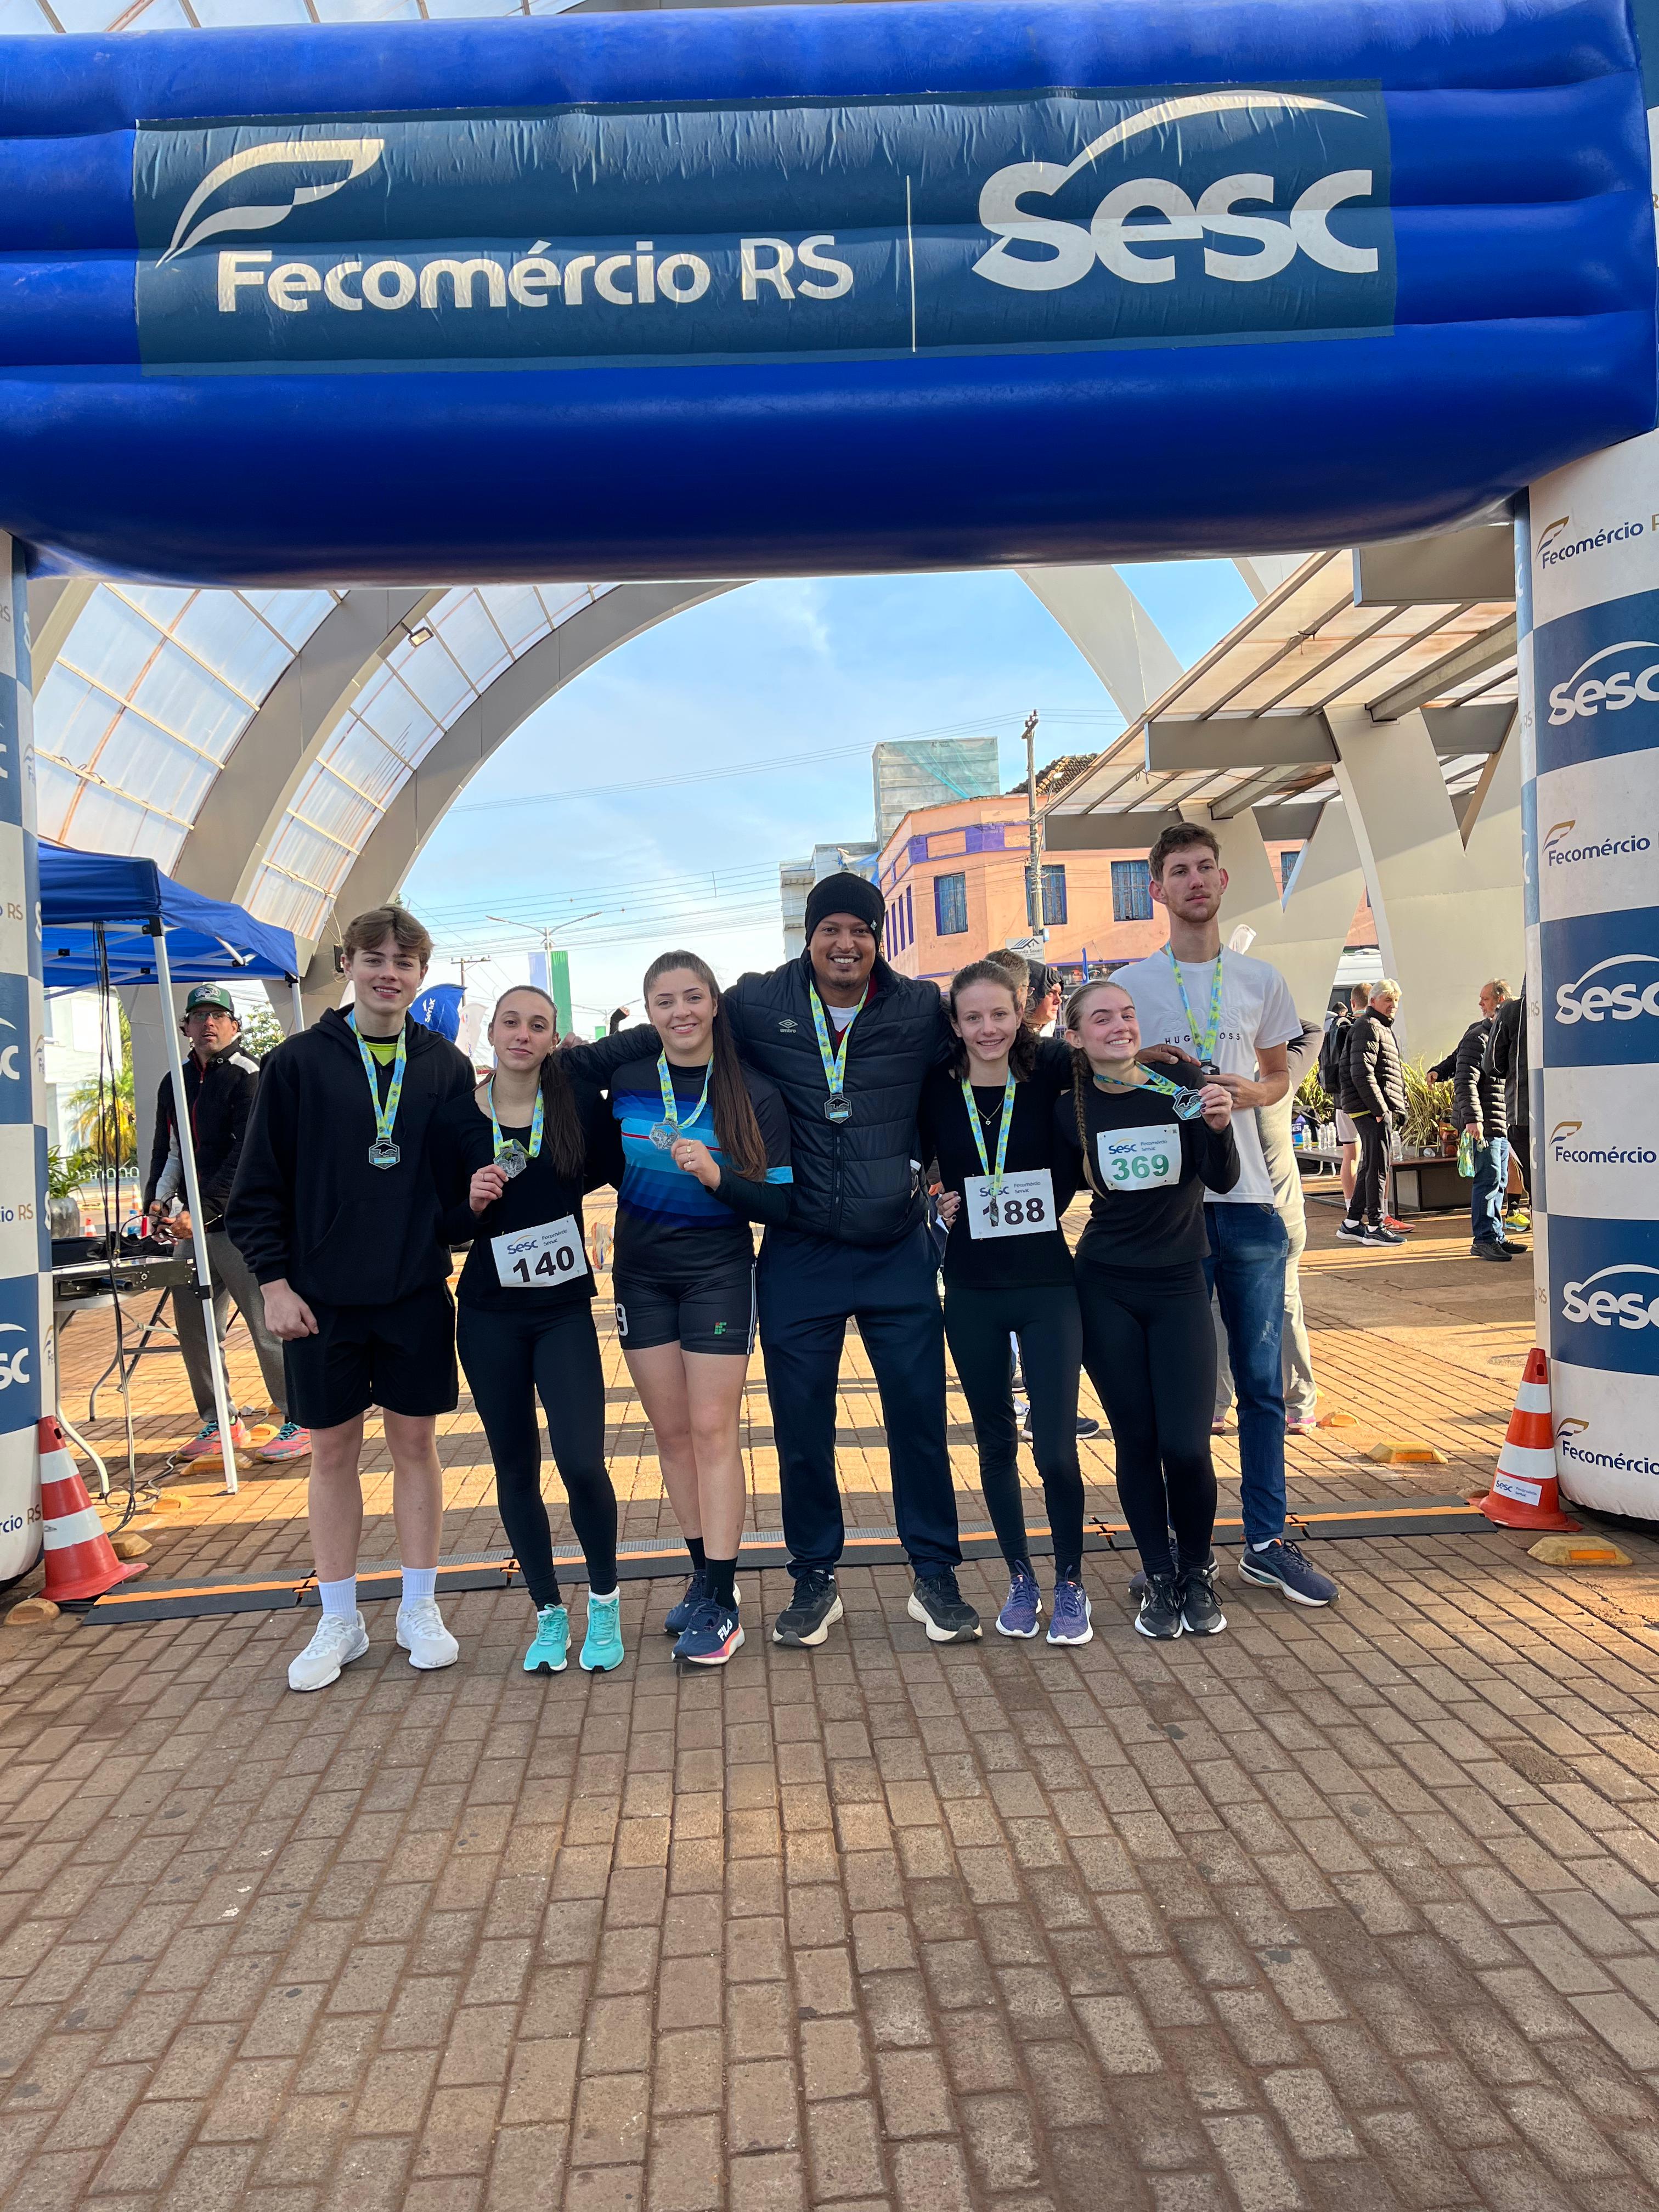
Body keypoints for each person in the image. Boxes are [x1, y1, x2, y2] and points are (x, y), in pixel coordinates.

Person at [575, 873, 978, 1649]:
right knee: (801, 1426)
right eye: (830, 929)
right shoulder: (760, 1001)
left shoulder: (918, 1008)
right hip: (799, 1250)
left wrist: (1112, 1062)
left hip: (895, 1246)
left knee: (919, 1418)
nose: (845, 944)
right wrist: (573, 1060)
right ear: (810, 935)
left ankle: (935, 1574)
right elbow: (679, 1027)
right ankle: (813, 1577)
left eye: (860, 930)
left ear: (877, 937)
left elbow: (989, 1047)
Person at [229, 906, 476, 1693]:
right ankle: (340, 1617)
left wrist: (480, 1202)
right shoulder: (296, 1063)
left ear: (421, 975)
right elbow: (257, 1187)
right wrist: (273, 1284)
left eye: (404, 962)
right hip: (319, 1300)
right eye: (375, 959)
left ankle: (418, 1606)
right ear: (348, 965)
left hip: (413, 1291)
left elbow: (455, 1189)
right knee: (331, 1453)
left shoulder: (444, 1065)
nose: (388, 974)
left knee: (416, 1447)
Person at [1113, 822, 1338, 1608]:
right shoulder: (1132, 986)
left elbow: (1280, 1075)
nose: (1196, 881)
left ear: (1223, 879)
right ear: (1158, 890)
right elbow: (1108, 1083)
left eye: (1206, 867)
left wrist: (1251, 1092)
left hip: (1250, 1205)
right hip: (1170, 1212)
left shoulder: (1260, 980)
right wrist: (1149, 1076)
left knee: (1263, 1387)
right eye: (1179, 870)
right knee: (1179, 1399)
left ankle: (1267, 1543)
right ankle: (1181, 1551)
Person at [569, 951, 791, 1668]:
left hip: (717, 1276)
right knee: (670, 1435)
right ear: (648, 1012)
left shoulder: (752, 1089)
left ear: (716, 1002)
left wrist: (720, 1178)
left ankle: (725, 1601)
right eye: (663, 1002)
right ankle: (702, 1576)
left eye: (693, 997)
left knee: (711, 1430)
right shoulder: (632, 1079)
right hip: (640, 1278)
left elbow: (781, 1201)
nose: (681, 1012)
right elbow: (577, 1091)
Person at [431, 986, 625, 1678]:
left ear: (552, 1040)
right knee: (515, 1467)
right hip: (489, 1315)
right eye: (511, 1022)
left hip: (563, 1310)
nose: (522, 1034)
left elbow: (616, 1167)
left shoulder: (575, 1106)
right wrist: (470, 1205)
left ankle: (604, 1600)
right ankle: (548, 1610)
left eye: (537, 1025)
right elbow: (441, 1223)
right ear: (492, 1033)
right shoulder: (456, 1117)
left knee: (581, 1461)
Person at [1055, 979, 1239, 1638]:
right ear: (1076, 1036)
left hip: (1180, 1285)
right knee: (1136, 1440)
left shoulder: (1179, 1085)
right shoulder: (1069, 1108)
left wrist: (1219, 1128)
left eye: (1128, 1015)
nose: (1120, 1026)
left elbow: (1221, 1177)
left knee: (1186, 1446)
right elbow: (1046, 1191)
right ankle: (1159, 1576)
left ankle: (1197, 1569)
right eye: (1102, 1018)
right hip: (1105, 1287)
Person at [919, 960, 1089, 1644]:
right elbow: (916, 1161)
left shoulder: (1050, 1071)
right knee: (995, 1443)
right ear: (956, 1024)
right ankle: (1021, 1577)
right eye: (973, 1017)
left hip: (1047, 1283)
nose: (988, 1029)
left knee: (1056, 1450)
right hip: (971, 1288)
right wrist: (936, 1197)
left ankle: (1070, 1581)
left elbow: (1108, 1070)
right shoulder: (936, 1085)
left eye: (999, 1014)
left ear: (1022, 1012)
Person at [142, 983, 309, 1464]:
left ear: (235, 1025)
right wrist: (158, 1200)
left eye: (218, 1016)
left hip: (247, 1227)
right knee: (195, 1330)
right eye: (199, 1017)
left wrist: (203, 1211)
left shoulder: (250, 1075)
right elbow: (170, 1149)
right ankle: (220, 1419)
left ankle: (299, 1417)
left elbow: (247, 1157)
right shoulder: (174, 1081)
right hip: (194, 1227)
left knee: (269, 1325)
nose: (208, 1024)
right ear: (185, 1027)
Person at [1214, 1018, 1322, 1434]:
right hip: (1282, 1211)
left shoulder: (1210, 1085)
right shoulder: (1278, 1078)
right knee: (1286, 1303)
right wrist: (1264, 1017)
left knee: (1215, 1308)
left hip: (1228, 1210)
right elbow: (1313, 1030)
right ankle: (1299, 1403)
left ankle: (1215, 1406)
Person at [1432, 980, 1523, 1263]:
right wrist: (1473, 1120)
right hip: (1484, 1123)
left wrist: (1438, 1071)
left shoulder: (1499, 1034)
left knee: (1499, 1180)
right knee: (1488, 1180)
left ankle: (1495, 1235)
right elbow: (1465, 1079)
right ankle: (1484, 1239)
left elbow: (1454, 1061)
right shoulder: (1478, 1036)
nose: (1480, 1004)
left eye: (1485, 999)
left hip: (1500, 1120)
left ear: (1501, 1000)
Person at [1338, 980, 1408, 1248]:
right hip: (1369, 1108)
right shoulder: (1368, 1026)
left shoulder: (1377, 1026)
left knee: (1370, 1164)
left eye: (1396, 1000)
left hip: (1370, 1107)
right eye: (1388, 1000)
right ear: (1373, 1001)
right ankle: (1376, 1226)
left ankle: (1352, 1223)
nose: (1394, 1005)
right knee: (1378, 1165)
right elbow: (1362, 1072)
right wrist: (1380, 1109)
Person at [1320, 984, 1370, 1210]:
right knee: (1377, 1156)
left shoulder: (1336, 1027)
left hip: (1341, 1100)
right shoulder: (1368, 1027)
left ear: (1352, 1003)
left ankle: (1351, 1207)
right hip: (1365, 1101)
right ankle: (1381, 1210)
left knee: (1350, 1154)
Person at [1484, 984, 1531, 1226]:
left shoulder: (1513, 1011)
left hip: (1523, 1109)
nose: (1481, 1004)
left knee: (1532, 1175)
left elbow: (1493, 1065)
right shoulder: (1567, 1003)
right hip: (1571, 1111)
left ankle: (1542, 1232)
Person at [1025, 961, 1065, 1037]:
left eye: (1059, 994)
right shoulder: (1009, 1036)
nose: (1059, 1001)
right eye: (1050, 992)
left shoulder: (1048, 1029)